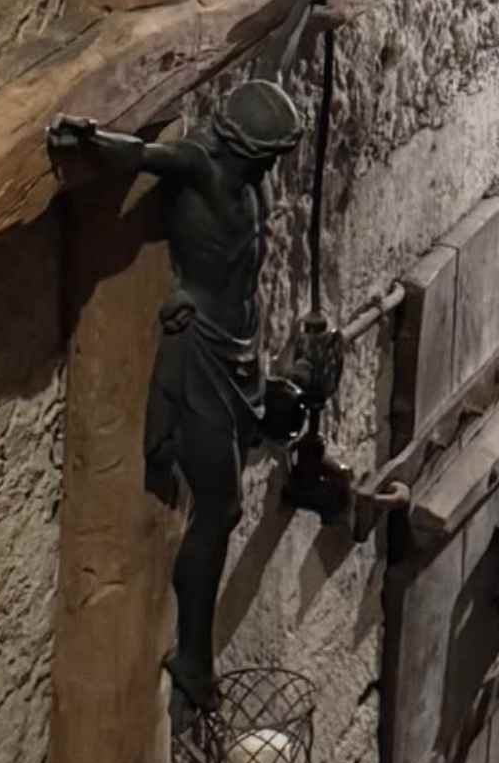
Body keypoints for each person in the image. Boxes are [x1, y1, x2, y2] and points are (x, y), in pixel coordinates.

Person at [45, 72, 307, 705]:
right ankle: (193, 655)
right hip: (204, 356)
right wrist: (85, 138)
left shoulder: (248, 179)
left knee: (222, 503)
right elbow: (138, 155)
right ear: (243, 147)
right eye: (269, 153)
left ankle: (195, 650)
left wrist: (300, 3)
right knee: (219, 507)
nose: (276, 165)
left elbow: (276, 60)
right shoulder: (203, 166)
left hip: (239, 348)